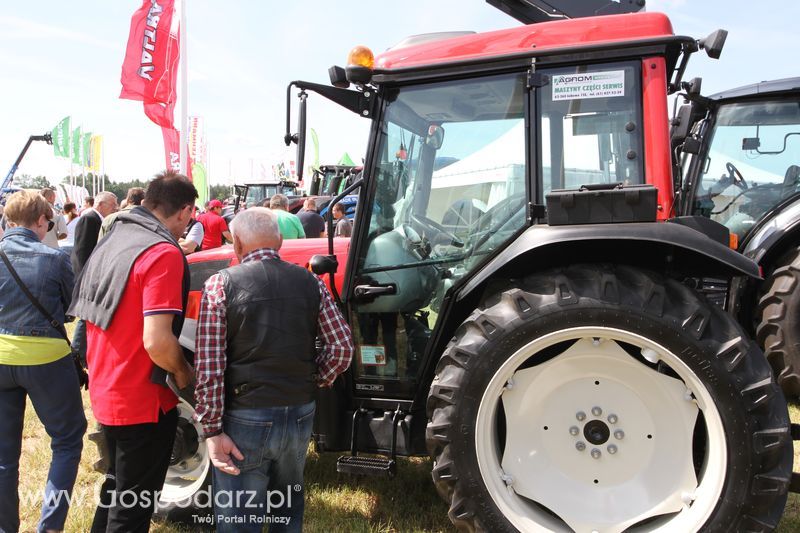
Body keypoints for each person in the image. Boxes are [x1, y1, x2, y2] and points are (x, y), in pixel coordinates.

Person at [194, 207, 353, 532]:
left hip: (245, 416)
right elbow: (341, 348)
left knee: (241, 519)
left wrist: (211, 430)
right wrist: (313, 379)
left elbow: (210, 367)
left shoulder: (218, 285)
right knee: (287, 510)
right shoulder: (311, 281)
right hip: (299, 410)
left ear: (237, 243)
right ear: (279, 240)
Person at [68, 170, 197, 532]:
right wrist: (185, 373)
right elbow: (156, 340)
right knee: (133, 509)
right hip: (143, 399)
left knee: (115, 488)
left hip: (107, 388)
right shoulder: (162, 252)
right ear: (185, 211)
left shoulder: (114, 238)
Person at [0, 190, 86, 533]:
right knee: (66, 441)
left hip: (1, 355)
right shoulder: (54, 258)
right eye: (48, 223)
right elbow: (69, 310)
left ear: (8, 221)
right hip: (47, 358)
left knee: (4, 455)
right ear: (40, 221)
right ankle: (50, 527)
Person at [71, 191, 119, 276]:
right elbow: (82, 251)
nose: (116, 208)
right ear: (100, 204)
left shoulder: (100, 220)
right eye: (113, 205)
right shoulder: (88, 219)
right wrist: (85, 276)